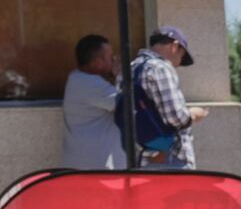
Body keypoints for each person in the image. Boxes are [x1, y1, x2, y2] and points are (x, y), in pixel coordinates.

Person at [129, 27, 207, 169]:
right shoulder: (161, 68)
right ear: (175, 46)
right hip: (169, 160)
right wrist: (193, 114)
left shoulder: (130, 69)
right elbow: (176, 117)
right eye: (182, 56)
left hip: (139, 158)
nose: (178, 64)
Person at [60, 34, 124, 170]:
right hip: (96, 167)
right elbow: (125, 104)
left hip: (87, 163)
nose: (114, 61)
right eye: (110, 57)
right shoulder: (90, 84)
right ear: (98, 62)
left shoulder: (77, 79)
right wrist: (120, 75)